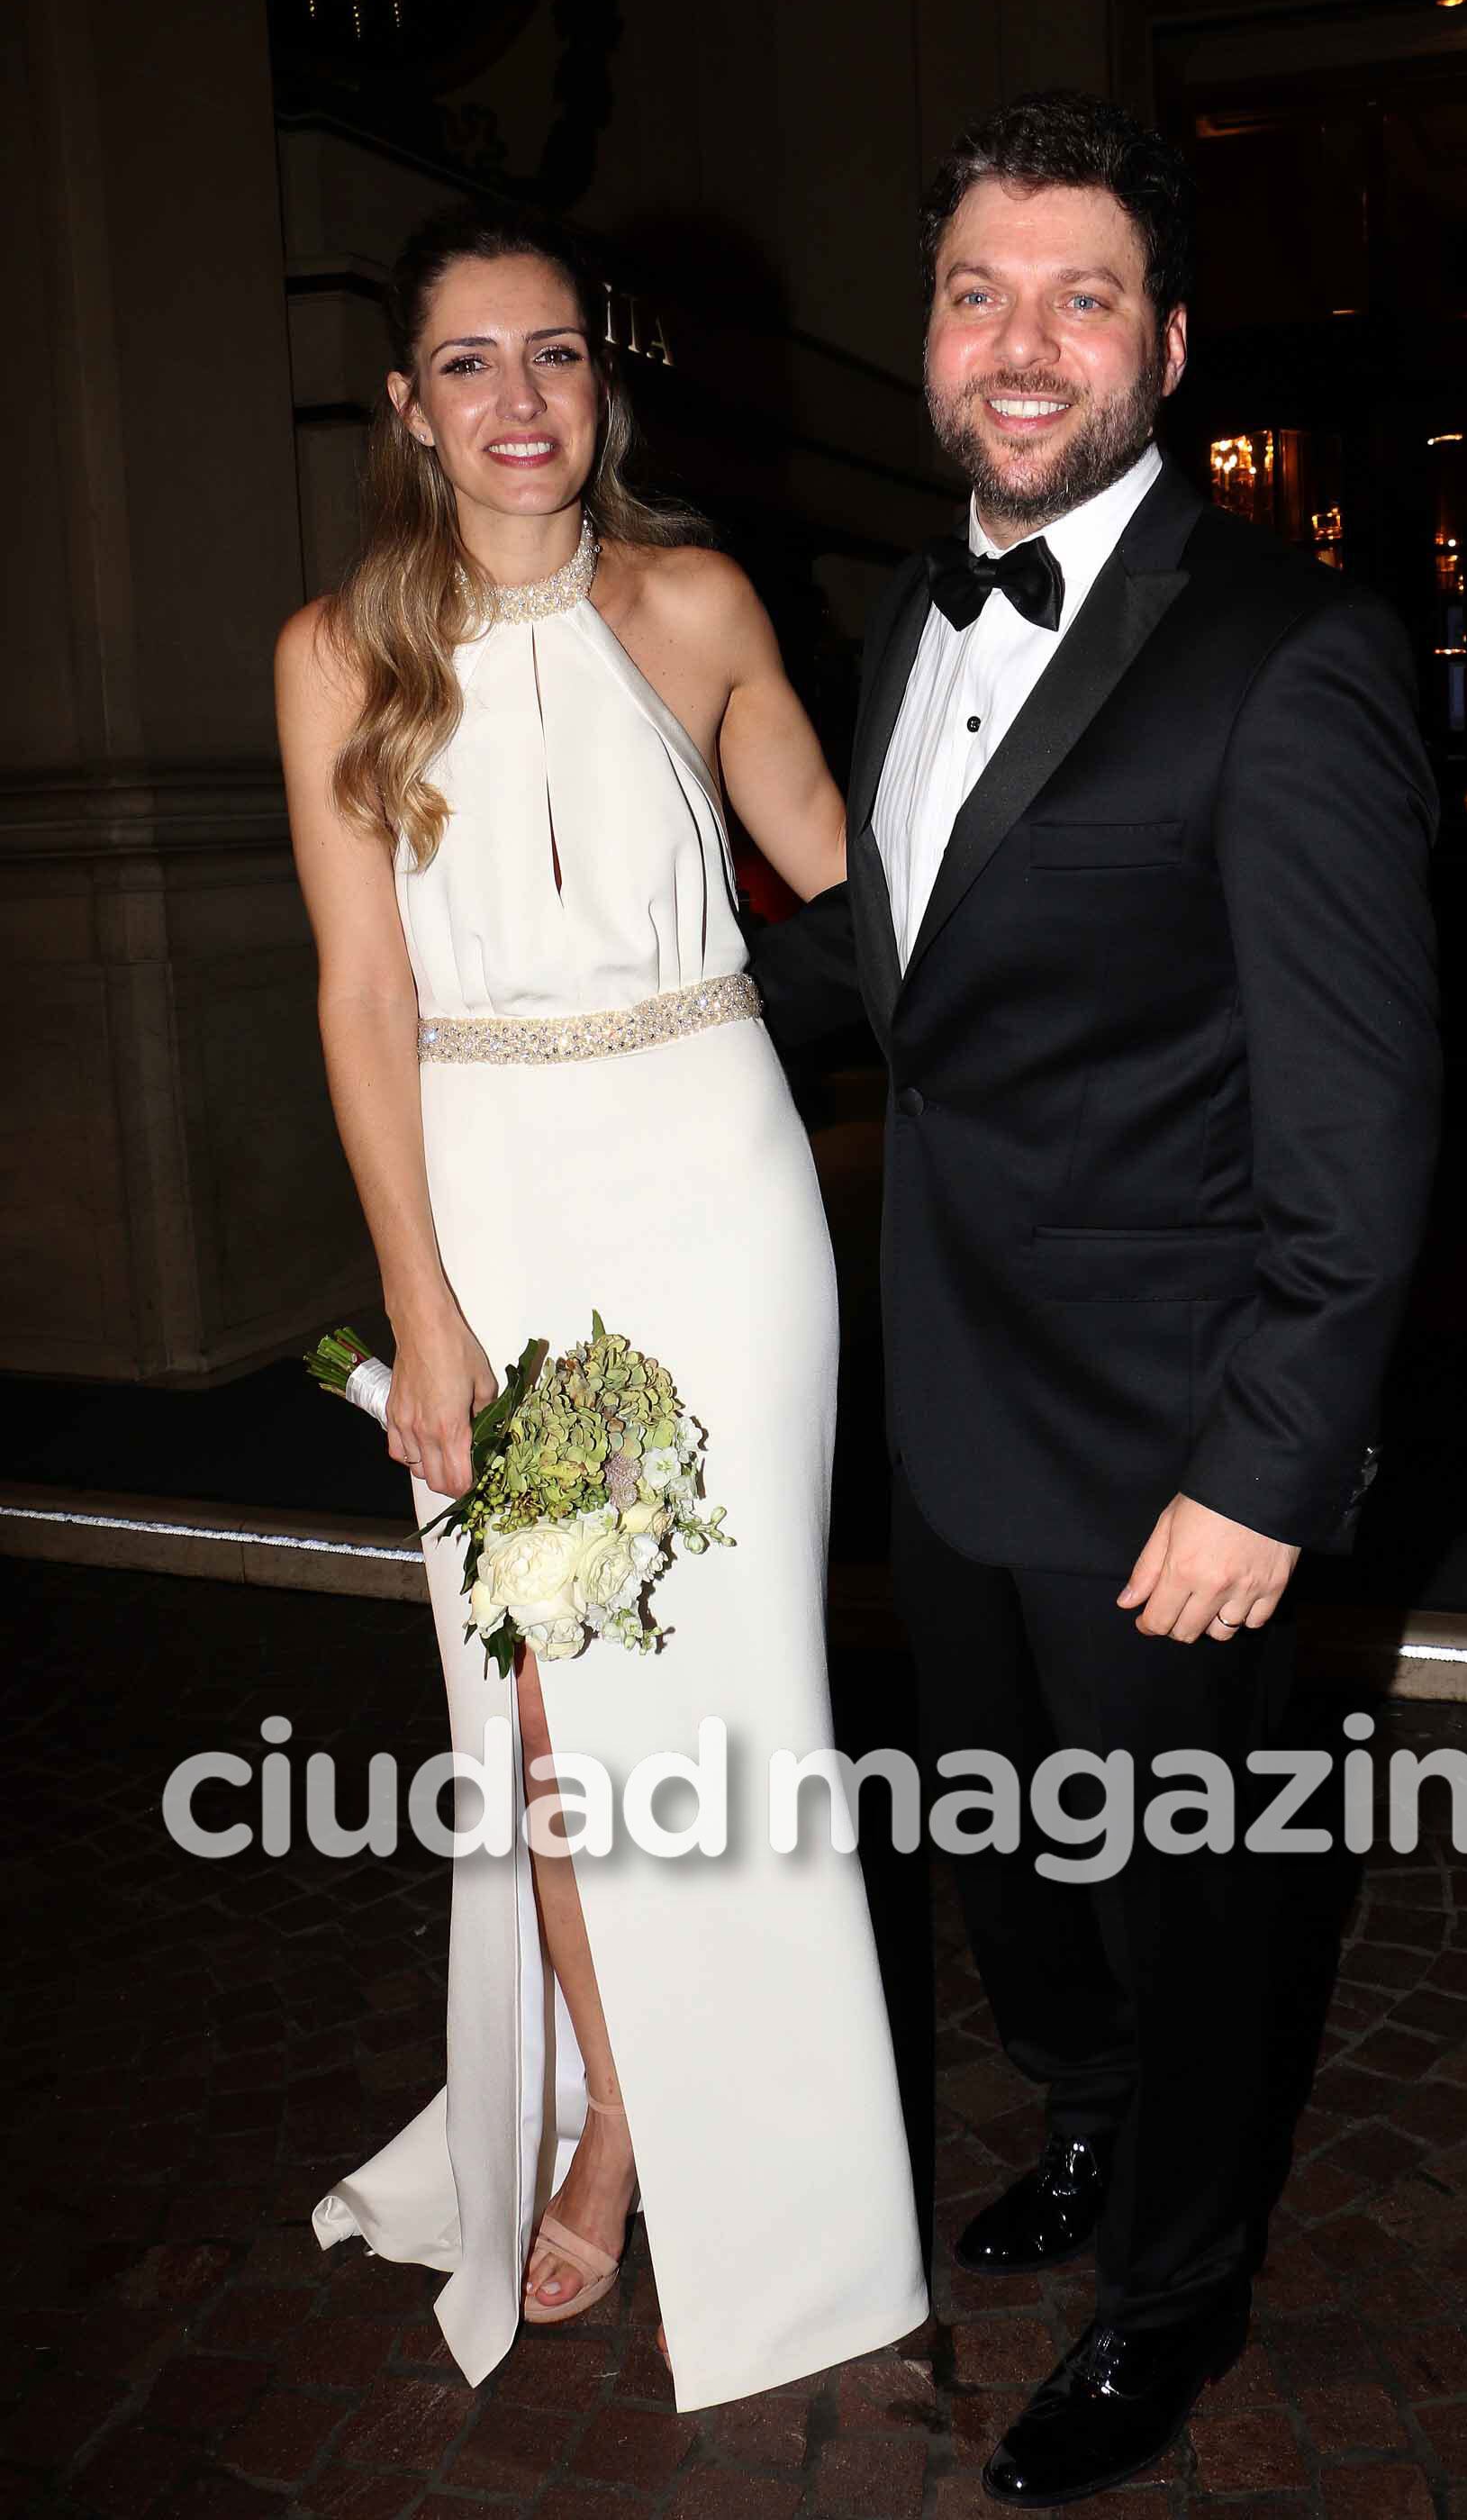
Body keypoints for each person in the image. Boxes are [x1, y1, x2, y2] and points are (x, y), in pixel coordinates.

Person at [753, 89, 1441, 2506]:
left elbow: (1362, 1135)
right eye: (977, 292)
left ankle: (1177, 2291)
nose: (1021, 346)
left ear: (1166, 339)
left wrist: (1267, 1471)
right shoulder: (890, 625)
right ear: (928, 333)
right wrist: (653, 1012)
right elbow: (905, 952)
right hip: (945, 1401)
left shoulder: (1293, 655)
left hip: (1168, 1453)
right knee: (1021, 1869)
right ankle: (1095, 2135)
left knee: (1187, 1909)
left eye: (1078, 298)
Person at [276, 204, 927, 2407]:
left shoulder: (696, 602)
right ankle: (620, 2112)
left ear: (602, 378)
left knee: (731, 1687)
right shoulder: (336, 654)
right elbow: (364, 997)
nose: (520, 400)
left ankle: (671, 2132)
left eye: (551, 355)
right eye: (471, 363)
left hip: (716, 1192)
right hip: (502, 1212)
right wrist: (419, 1304)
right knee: (545, 1714)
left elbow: (850, 873)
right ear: (407, 404)